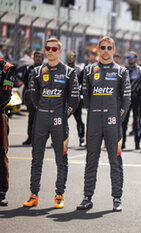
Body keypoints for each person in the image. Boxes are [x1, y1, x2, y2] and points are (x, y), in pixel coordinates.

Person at [23, 38, 80, 208]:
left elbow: (74, 99)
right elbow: (33, 96)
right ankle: (34, 194)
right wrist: (41, 110)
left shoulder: (69, 72)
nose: (50, 51)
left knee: (61, 159)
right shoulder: (37, 71)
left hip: (59, 121)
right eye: (48, 48)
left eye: (54, 49)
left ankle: (59, 195)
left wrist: (64, 116)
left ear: (60, 51)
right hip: (41, 118)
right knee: (36, 158)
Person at [77, 36, 131, 211]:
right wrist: (94, 114)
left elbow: (126, 100)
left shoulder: (122, 72)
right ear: (98, 49)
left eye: (109, 47)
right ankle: (87, 197)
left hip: (113, 123)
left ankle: (117, 198)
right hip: (93, 121)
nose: (106, 50)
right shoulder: (88, 70)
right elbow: (85, 98)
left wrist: (117, 120)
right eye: (103, 47)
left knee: (115, 160)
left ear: (113, 50)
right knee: (91, 159)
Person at [0, 57, 16, 206]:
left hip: (0, 114)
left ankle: (1, 191)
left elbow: (6, 95)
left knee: (1, 153)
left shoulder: (7, 68)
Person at [122, 51, 141, 150]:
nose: (130, 58)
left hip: (137, 99)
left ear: (136, 58)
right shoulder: (123, 70)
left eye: (132, 57)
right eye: (128, 57)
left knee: (137, 121)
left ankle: (137, 143)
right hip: (125, 99)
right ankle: (122, 143)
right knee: (123, 122)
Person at [22, 50, 44, 145]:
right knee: (31, 118)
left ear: (42, 58)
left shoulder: (46, 69)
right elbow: (25, 83)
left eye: (39, 57)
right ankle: (30, 138)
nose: (38, 58)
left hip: (42, 98)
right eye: (36, 56)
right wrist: (25, 98)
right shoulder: (29, 69)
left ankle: (40, 139)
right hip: (31, 97)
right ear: (33, 58)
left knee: (42, 120)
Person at [67, 51, 86, 147]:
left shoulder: (79, 69)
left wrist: (82, 95)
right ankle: (60, 140)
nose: (70, 58)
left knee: (79, 120)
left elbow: (84, 84)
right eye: (68, 56)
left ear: (75, 58)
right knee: (61, 121)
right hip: (65, 100)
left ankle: (82, 139)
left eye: (71, 56)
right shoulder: (62, 68)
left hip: (76, 100)